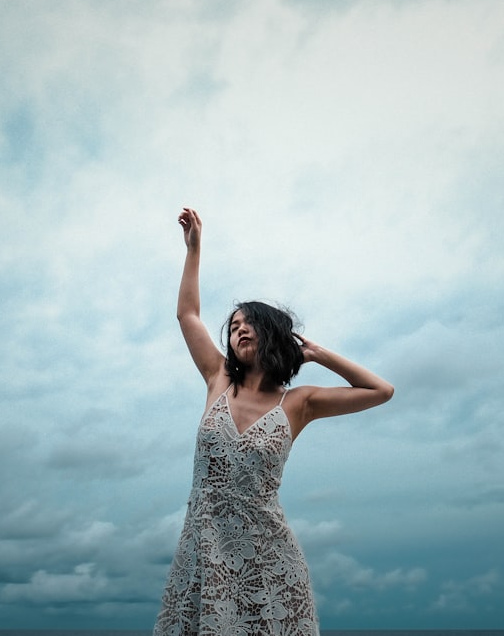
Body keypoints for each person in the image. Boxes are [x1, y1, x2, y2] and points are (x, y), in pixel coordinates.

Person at [154, 208, 394, 636]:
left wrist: (320, 355)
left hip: (269, 561)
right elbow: (187, 315)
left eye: (250, 324)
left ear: (272, 334)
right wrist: (194, 250)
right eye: (234, 327)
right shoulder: (219, 379)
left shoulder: (299, 403)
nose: (239, 331)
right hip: (204, 553)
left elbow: (380, 390)